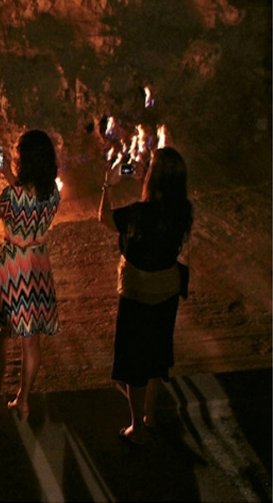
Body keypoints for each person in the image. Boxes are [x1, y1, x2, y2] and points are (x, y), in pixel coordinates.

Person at [98, 146, 192, 444]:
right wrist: (147, 184)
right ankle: (150, 417)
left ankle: (136, 429)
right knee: (156, 354)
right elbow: (161, 211)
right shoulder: (183, 211)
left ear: (154, 178)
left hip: (137, 293)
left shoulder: (137, 214)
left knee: (134, 360)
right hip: (167, 291)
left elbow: (105, 217)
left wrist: (108, 185)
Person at [0, 130, 61, 422]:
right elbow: (31, 196)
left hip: (12, 268)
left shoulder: (10, 195)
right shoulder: (53, 194)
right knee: (31, 340)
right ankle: (23, 400)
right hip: (38, 266)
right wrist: (8, 178)